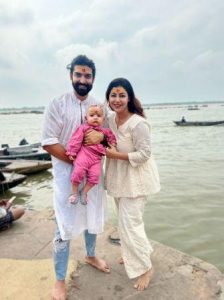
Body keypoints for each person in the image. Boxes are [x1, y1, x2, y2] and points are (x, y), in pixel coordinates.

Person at [42, 55, 110, 300]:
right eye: (78, 74)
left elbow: (108, 134)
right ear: (71, 75)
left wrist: (100, 140)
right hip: (65, 177)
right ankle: (59, 280)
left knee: (92, 216)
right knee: (64, 226)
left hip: (92, 178)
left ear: (93, 78)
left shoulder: (97, 105)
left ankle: (90, 255)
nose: (83, 79)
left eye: (88, 75)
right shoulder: (57, 104)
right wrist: (78, 159)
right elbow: (49, 142)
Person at [105, 78, 160, 291]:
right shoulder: (110, 119)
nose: (117, 100)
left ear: (129, 98)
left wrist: (114, 154)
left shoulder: (138, 123)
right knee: (124, 221)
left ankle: (145, 268)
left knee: (131, 223)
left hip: (137, 180)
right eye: (113, 95)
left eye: (121, 95)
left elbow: (145, 154)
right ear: (108, 98)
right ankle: (134, 253)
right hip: (119, 179)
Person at [66, 105, 116, 205]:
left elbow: (112, 139)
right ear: (86, 118)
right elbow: (76, 140)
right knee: (78, 172)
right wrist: (72, 151)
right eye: (92, 115)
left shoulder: (105, 131)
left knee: (95, 177)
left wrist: (112, 144)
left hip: (96, 159)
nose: (95, 117)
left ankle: (84, 192)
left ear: (103, 119)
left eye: (99, 115)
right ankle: (74, 192)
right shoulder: (83, 128)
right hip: (84, 156)